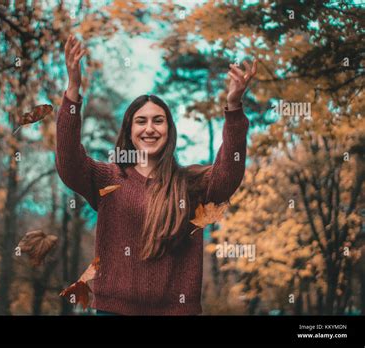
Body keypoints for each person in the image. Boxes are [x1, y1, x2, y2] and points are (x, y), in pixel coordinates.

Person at [56, 34, 257, 315]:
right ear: (129, 130)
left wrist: (234, 107)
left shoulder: (190, 184)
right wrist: (73, 90)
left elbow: (228, 175)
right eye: (141, 121)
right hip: (113, 311)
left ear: (168, 130)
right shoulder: (108, 178)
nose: (150, 128)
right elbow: (68, 163)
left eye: (158, 120)